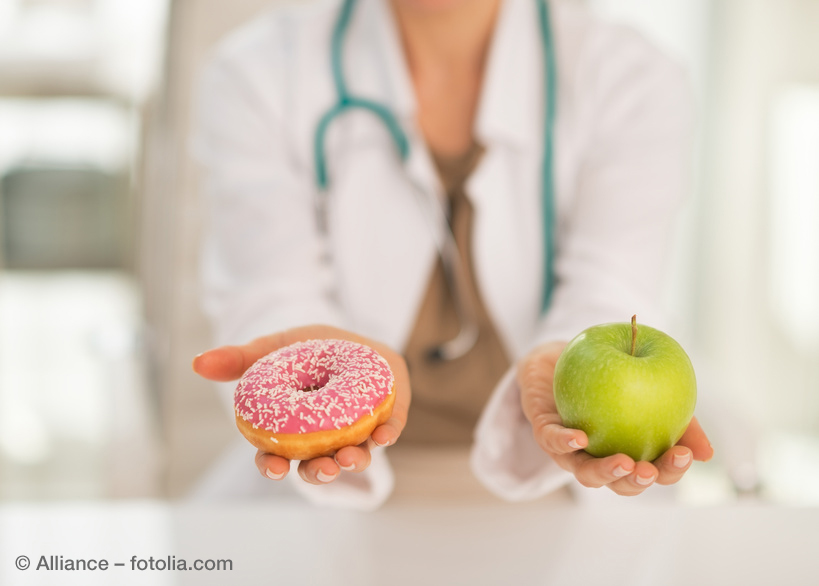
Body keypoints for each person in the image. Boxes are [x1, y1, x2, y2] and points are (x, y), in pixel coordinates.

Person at [191, 0, 713, 509]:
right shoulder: (258, 72)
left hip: (553, 488)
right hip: (332, 494)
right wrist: (317, 364)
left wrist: (571, 379)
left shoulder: (629, 75)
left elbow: (613, 289)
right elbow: (271, 288)